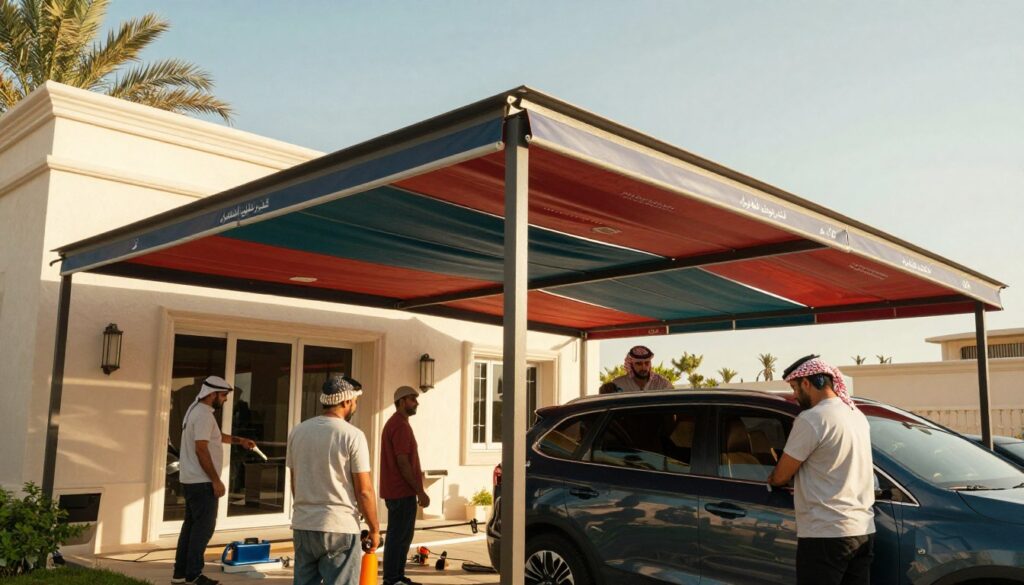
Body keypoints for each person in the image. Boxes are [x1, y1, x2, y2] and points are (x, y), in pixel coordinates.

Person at [767, 355, 876, 585]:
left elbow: (781, 475)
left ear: (807, 383)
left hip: (824, 534)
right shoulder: (857, 416)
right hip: (862, 530)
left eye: (795, 388)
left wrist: (773, 478)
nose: (795, 396)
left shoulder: (813, 418)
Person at [286, 374, 380, 585]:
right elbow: (364, 490)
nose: (355, 406)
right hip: (339, 526)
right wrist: (374, 529)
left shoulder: (297, 432)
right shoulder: (353, 435)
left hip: (303, 525)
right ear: (347, 401)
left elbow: (295, 481)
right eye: (355, 401)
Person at [173, 376, 257, 585]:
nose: (226, 400)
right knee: (203, 529)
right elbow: (201, 449)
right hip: (202, 482)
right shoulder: (202, 415)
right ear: (212, 394)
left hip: (191, 480)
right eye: (224, 395)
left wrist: (240, 441)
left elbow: (216, 436)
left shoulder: (195, 410)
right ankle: (194, 575)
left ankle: (180, 574)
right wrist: (216, 480)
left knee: (191, 528)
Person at [379, 386, 430, 585]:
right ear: (401, 401)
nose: (416, 402)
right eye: (412, 399)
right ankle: (392, 579)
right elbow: (402, 461)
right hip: (401, 491)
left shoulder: (398, 423)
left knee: (401, 536)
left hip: (398, 492)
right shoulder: (399, 425)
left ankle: (397, 577)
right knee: (398, 537)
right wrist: (420, 491)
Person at [599, 345, 674, 393]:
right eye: (639, 364)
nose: (644, 367)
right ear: (631, 365)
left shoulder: (662, 384)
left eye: (647, 363)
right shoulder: (619, 384)